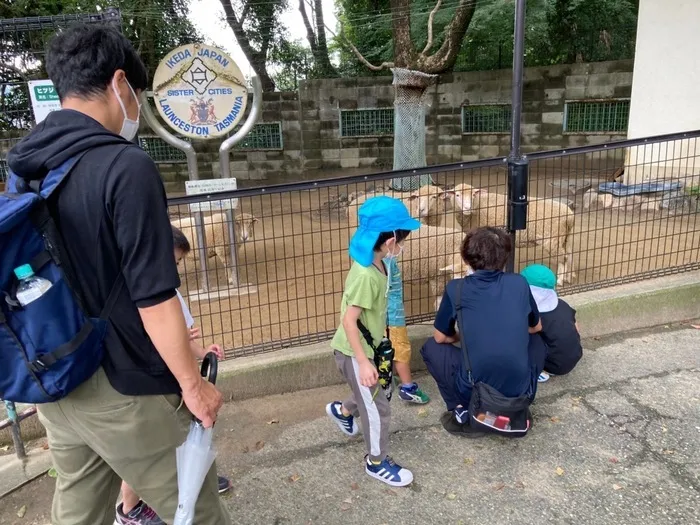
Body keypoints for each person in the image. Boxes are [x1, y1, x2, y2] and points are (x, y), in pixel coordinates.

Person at [6, 24, 230, 525]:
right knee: (198, 509)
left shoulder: (25, 165)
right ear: (120, 83)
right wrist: (193, 387)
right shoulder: (125, 167)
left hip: (55, 377)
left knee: (79, 510)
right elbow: (154, 297)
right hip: (120, 388)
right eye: (138, 95)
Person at [115, 227, 232, 524]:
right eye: (171, 262)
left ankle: (197, 481)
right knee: (146, 453)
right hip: (151, 386)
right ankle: (130, 510)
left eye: (177, 264)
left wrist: (203, 350)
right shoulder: (132, 289)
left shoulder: (170, 293)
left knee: (185, 436)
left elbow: (183, 337)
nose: (173, 270)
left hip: (177, 385)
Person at [325, 196, 420, 487]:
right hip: (356, 352)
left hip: (369, 347)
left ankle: (342, 411)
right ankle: (376, 462)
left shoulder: (379, 263)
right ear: (390, 239)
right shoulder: (367, 275)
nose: (404, 241)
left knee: (375, 390)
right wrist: (364, 362)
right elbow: (349, 321)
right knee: (378, 408)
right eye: (402, 236)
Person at [420, 227, 547, 434]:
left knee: (431, 347)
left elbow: (440, 337)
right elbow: (536, 327)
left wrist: (464, 335)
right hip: (521, 389)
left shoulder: (456, 288)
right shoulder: (519, 283)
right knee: (537, 342)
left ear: (466, 258)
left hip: (473, 388)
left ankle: (459, 407)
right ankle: (515, 405)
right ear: (505, 256)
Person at [520, 264, 582, 383]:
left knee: (527, 335)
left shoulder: (532, 313)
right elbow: (576, 328)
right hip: (575, 357)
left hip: (552, 365)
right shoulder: (562, 304)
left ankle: (537, 369)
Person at [385, 256, 430, 404]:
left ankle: (387, 379)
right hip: (393, 315)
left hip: (385, 315)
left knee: (386, 348)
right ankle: (408, 388)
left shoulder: (374, 258)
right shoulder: (386, 261)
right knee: (401, 350)